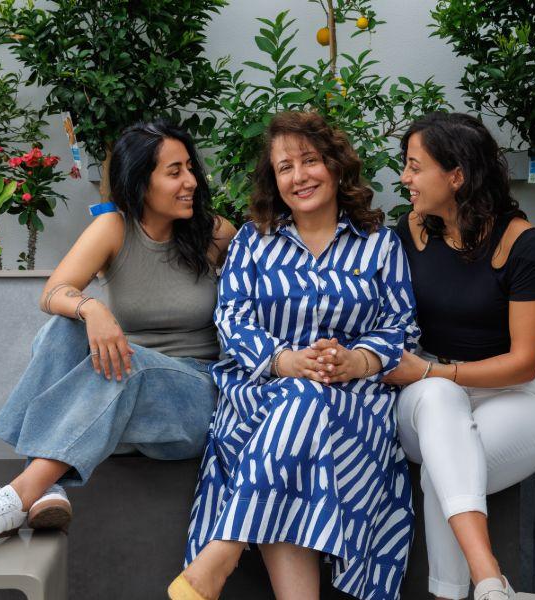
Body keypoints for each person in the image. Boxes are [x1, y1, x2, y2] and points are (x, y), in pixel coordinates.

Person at [0, 121, 236, 544]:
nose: (190, 181)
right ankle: (48, 484)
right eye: (174, 172)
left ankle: (23, 493)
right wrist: (92, 307)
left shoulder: (216, 234)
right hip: (119, 395)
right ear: (141, 182)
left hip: (192, 400)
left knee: (129, 366)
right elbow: (54, 293)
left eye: (190, 168)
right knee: (62, 328)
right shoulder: (114, 228)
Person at [168, 111, 419, 600]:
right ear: (274, 180)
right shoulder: (253, 241)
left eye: (310, 160)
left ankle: (221, 554)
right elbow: (231, 318)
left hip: (353, 403)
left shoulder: (379, 244)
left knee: (300, 415)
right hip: (261, 393)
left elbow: (401, 326)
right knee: (300, 404)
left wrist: (357, 360)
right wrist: (284, 361)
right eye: (285, 167)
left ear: (336, 166)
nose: (299, 176)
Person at [383, 111, 535, 600]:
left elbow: (525, 362)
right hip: (425, 399)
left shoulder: (521, 244)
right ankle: (489, 578)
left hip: (516, 395)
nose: (405, 178)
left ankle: (464, 592)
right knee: (440, 400)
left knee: (445, 467)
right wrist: (429, 373)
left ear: (456, 175)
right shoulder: (411, 232)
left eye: (415, 166)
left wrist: (432, 369)